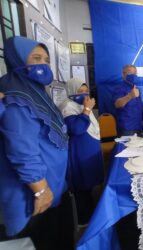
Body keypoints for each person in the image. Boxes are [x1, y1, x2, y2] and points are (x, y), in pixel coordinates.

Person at [0, 36, 73, 250]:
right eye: (36, 58)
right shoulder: (16, 95)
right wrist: (40, 190)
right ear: (19, 60)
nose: (43, 65)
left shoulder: (34, 90)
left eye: (46, 60)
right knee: (44, 242)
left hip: (51, 185)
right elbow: (21, 147)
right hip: (34, 194)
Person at [59, 78, 104, 225]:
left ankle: (90, 214)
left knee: (89, 187)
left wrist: (86, 109)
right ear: (71, 91)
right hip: (79, 154)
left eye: (86, 91)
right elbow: (77, 129)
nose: (84, 94)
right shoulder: (68, 107)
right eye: (80, 91)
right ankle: (83, 222)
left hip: (89, 153)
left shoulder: (81, 105)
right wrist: (87, 109)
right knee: (81, 188)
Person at [113, 64, 143, 136]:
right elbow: (117, 104)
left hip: (138, 126)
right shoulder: (119, 88)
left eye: (135, 73)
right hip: (126, 128)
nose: (133, 75)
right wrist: (130, 96)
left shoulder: (137, 88)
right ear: (123, 74)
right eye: (130, 73)